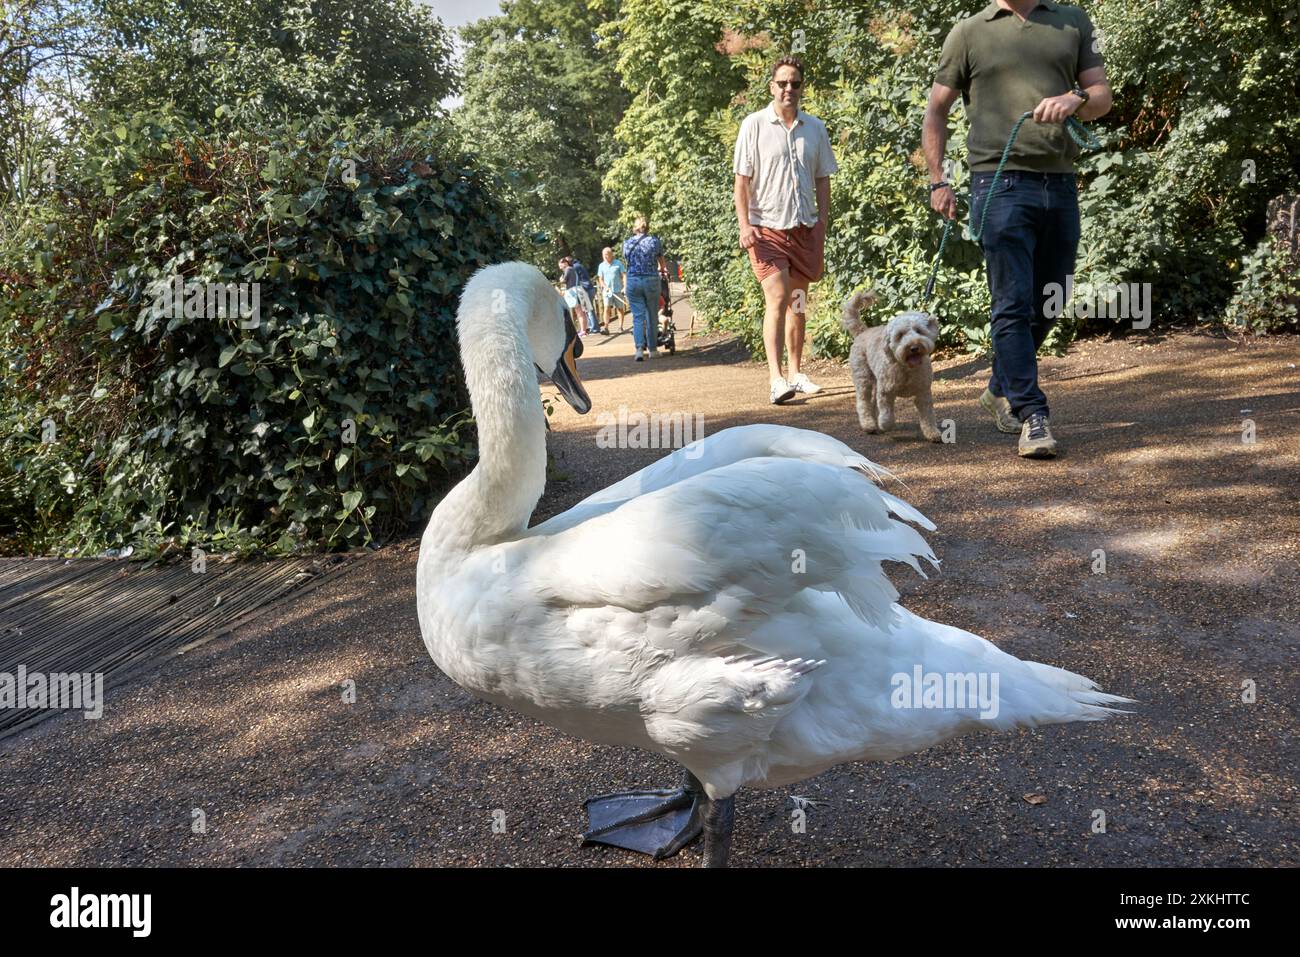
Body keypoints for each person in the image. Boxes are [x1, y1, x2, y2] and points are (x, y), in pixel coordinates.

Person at [923, 0, 1112, 458]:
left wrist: (1077, 98)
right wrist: (938, 180)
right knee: (1012, 301)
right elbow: (936, 111)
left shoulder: (1072, 21)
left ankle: (999, 386)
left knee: (1053, 295)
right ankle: (1032, 414)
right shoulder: (968, 32)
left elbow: (1102, 97)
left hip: (1061, 182)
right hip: (998, 183)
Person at [733, 54, 837, 405]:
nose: (788, 88)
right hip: (765, 229)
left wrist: (822, 221)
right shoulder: (755, 125)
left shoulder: (815, 128)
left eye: (795, 83)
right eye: (782, 83)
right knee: (777, 298)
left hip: (803, 227)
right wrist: (744, 224)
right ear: (771, 87)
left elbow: (823, 178)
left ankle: (796, 371)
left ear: (801, 87)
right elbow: (741, 182)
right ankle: (776, 379)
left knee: (798, 302)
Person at [622, 217, 667, 362]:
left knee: (637, 317)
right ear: (647, 227)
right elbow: (661, 262)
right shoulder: (654, 241)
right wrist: (663, 271)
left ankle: (639, 350)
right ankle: (653, 350)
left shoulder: (627, 243)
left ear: (635, 228)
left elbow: (627, 261)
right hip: (651, 280)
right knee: (652, 316)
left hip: (633, 281)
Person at [596, 247, 628, 333]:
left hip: (618, 290)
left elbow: (624, 275)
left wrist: (624, 287)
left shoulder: (618, 263)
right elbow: (600, 279)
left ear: (611, 254)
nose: (605, 256)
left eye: (607, 254)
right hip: (607, 291)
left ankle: (620, 327)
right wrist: (605, 287)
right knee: (606, 308)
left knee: (620, 308)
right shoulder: (601, 266)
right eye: (604, 255)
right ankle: (606, 327)